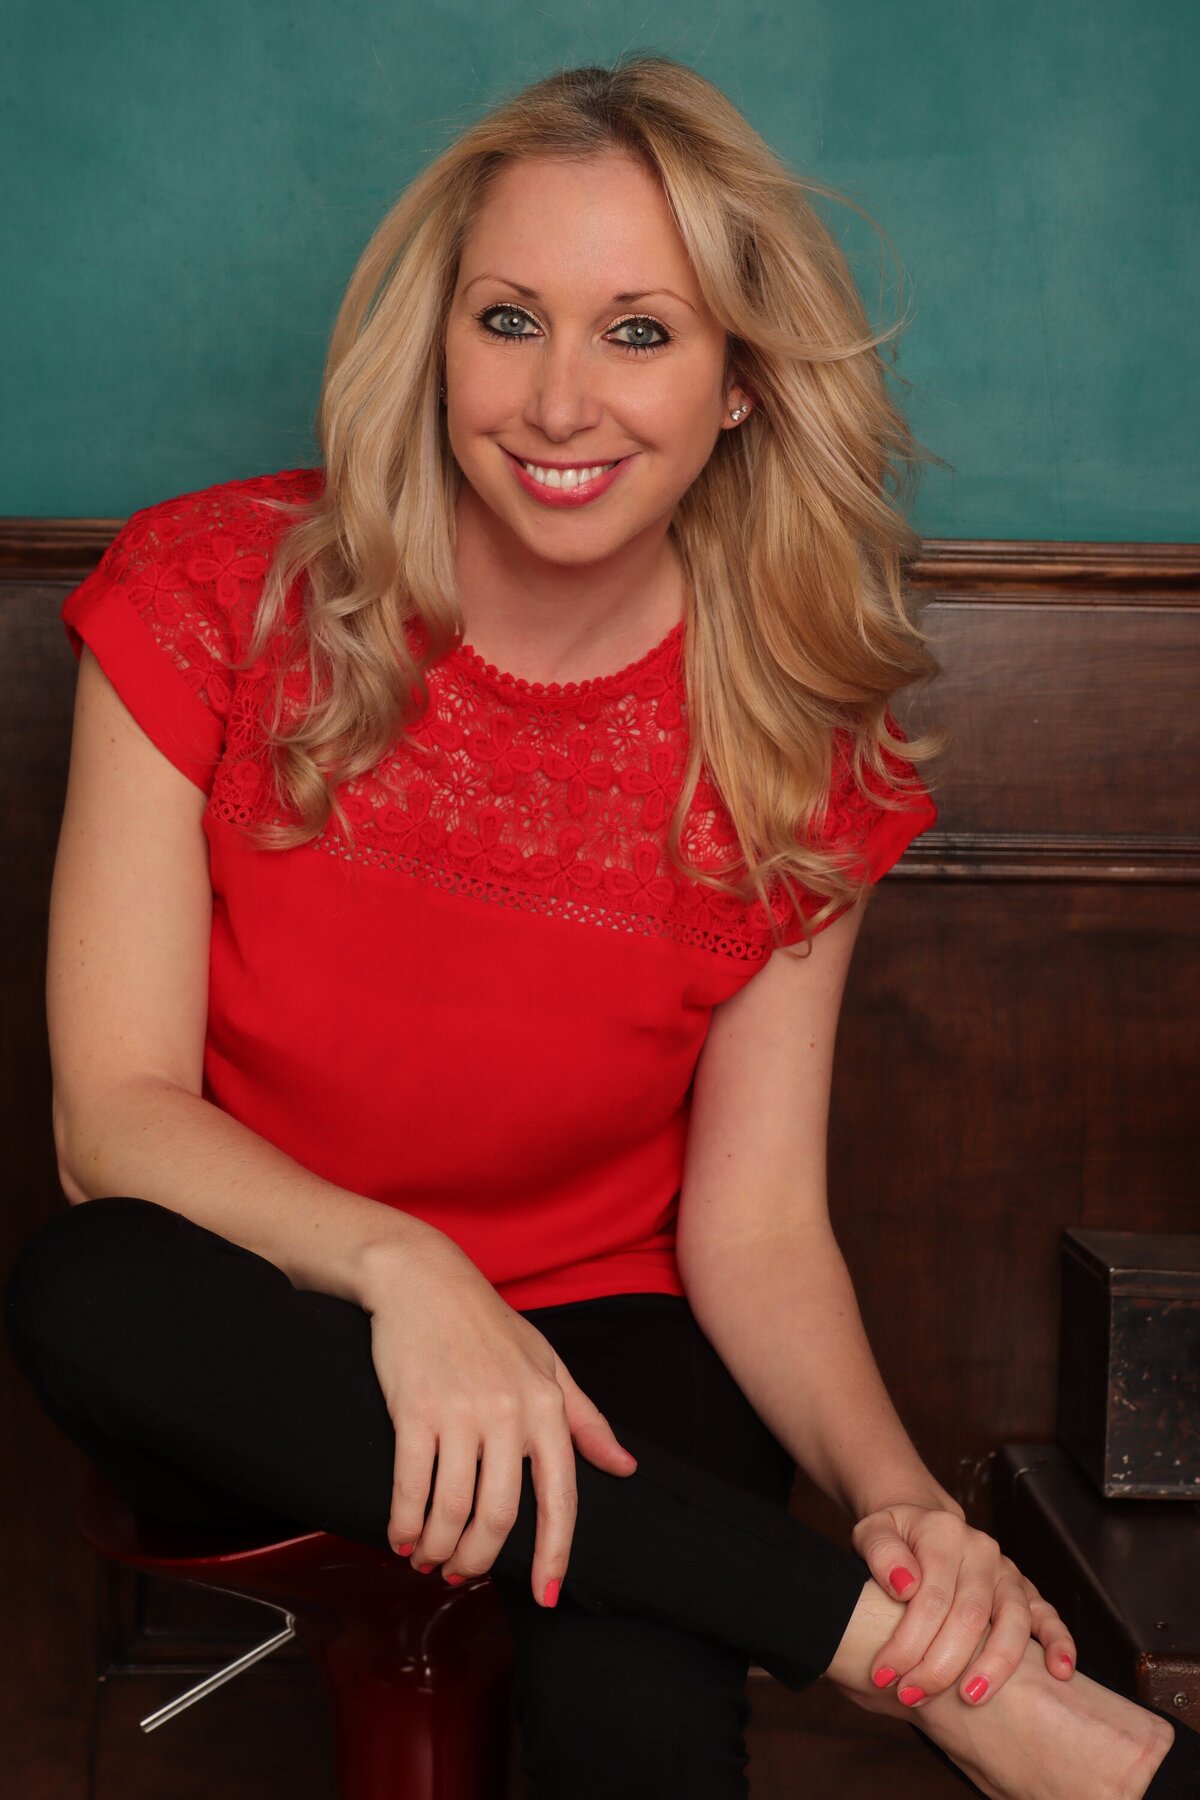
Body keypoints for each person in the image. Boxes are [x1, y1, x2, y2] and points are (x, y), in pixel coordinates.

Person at [4, 53, 1196, 1800]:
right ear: (436, 344)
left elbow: (758, 1227)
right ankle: (929, 1684)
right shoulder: (207, 597)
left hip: (610, 1331)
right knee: (88, 1284)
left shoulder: (795, 736)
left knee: (638, 1716)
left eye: (640, 331)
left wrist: (903, 1504)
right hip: (275, 1326)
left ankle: (884, 1630)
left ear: (739, 382)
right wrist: (410, 1275)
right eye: (510, 320)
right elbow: (111, 1123)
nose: (561, 401)